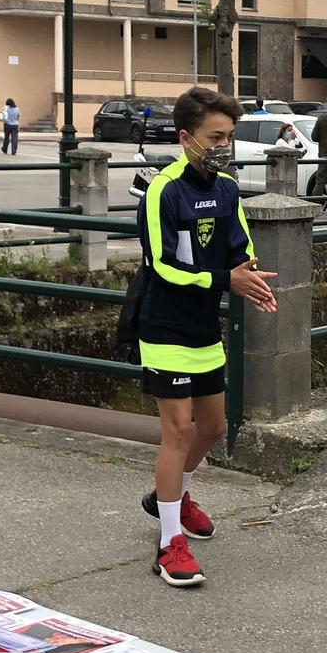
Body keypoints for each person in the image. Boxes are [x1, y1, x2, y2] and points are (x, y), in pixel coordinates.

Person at [135, 87, 277, 588]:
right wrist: (225, 281)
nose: (224, 146)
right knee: (176, 430)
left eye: (229, 137)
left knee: (213, 427)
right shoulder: (163, 190)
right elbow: (161, 266)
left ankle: (171, 495)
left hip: (203, 327)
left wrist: (249, 274)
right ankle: (168, 544)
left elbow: (240, 246)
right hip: (165, 325)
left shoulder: (227, 188)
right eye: (216, 137)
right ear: (185, 138)